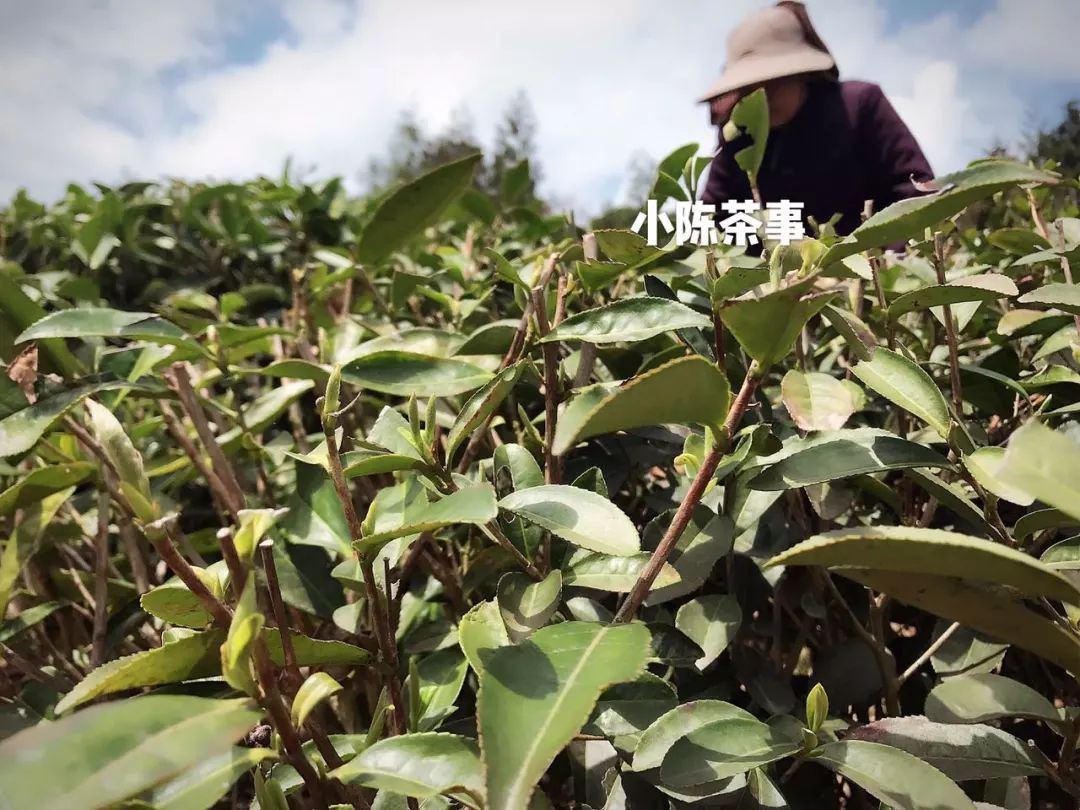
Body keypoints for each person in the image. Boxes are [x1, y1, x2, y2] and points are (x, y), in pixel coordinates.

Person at [699, 1, 933, 238]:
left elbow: (915, 190)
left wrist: (890, 260)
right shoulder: (737, 136)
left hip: (873, 264)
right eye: (748, 87)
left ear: (797, 72)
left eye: (769, 84)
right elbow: (711, 217)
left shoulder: (858, 105)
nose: (759, 95)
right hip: (774, 271)